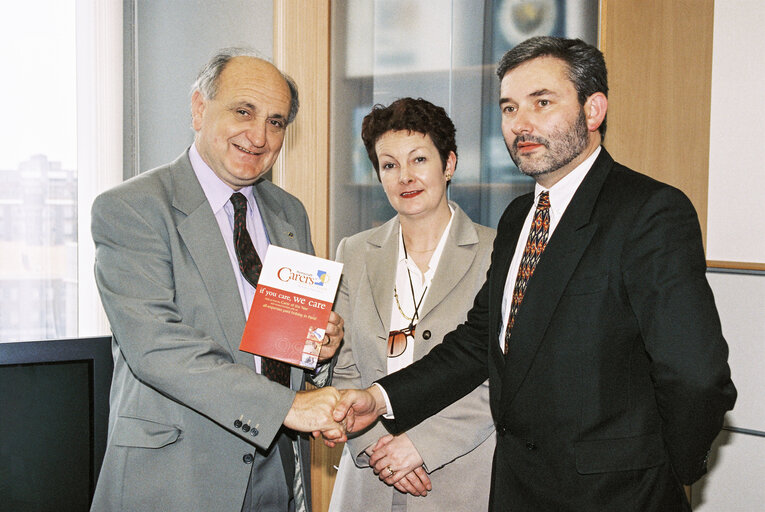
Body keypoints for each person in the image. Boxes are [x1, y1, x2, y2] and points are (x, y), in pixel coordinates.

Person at [331, 36, 737, 511]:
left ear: (593, 110)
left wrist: (668, 469)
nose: (520, 124)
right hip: (515, 490)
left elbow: (697, 376)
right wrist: (380, 399)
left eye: (542, 102)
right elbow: (478, 340)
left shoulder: (648, 211)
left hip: (615, 497)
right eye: (508, 108)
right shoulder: (518, 216)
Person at [91, 48, 345, 512]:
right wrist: (284, 408)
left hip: (278, 471)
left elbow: (283, 350)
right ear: (199, 108)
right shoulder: (132, 208)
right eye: (243, 112)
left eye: (276, 121)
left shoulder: (288, 212)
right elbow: (155, 346)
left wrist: (318, 348)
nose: (259, 135)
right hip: (178, 476)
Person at [328, 98, 496, 512]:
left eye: (419, 159)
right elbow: (342, 366)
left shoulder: (496, 251)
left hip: (461, 473)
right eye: (389, 165)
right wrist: (378, 448)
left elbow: (500, 375)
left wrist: (421, 445)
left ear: (449, 164)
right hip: (369, 475)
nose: (405, 176)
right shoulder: (353, 252)